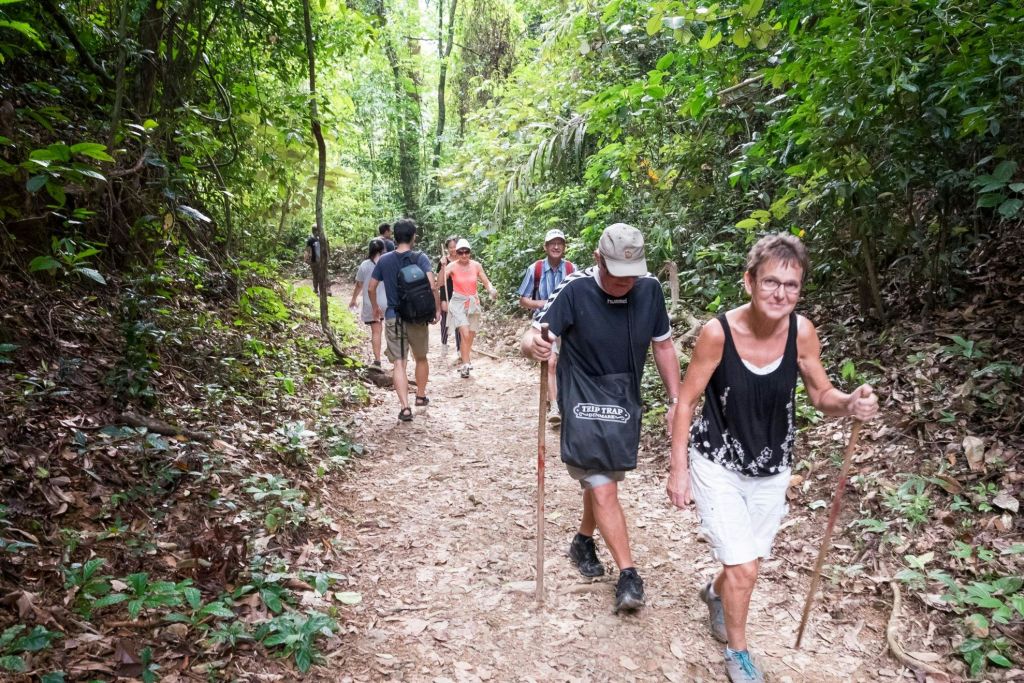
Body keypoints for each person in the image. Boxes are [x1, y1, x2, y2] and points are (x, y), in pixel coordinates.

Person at [666, 233, 879, 682]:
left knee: (747, 564)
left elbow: (821, 394)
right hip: (716, 462)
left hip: (772, 467)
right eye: (770, 282)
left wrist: (849, 403)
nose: (780, 294)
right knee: (743, 567)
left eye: (792, 285)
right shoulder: (717, 333)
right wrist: (678, 469)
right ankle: (739, 653)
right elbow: (686, 402)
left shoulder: (801, 332)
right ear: (749, 282)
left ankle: (714, 593)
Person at [521, 223, 680, 613]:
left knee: (605, 477)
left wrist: (677, 400)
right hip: (582, 396)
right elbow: (531, 334)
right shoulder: (574, 288)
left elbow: (663, 346)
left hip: (624, 397)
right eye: (616, 274)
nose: (625, 282)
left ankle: (582, 541)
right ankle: (629, 575)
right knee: (604, 484)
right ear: (597, 259)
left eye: (632, 275)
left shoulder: (650, 290)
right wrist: (536, 346)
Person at [369, 219, 441, 421]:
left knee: (399, 363)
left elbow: (371, 287)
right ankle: (420, 396)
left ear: (395, 236)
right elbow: (432, 285)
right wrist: (436, 308)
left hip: (393, 317)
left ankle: (405, 408)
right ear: (413, 237)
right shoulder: (420, 257)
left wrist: (376, 307)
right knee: (421, 358)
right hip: (417, 317)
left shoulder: (384, 260)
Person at [518, 228, 576, 425]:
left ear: (564, 247)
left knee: (566, 364)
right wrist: (545, 304)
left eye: (560, 243)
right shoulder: (535, 269)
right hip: (544, 324)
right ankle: (555, 406)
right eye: (552, 243)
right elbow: (524, 300)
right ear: (545, 247)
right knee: (550, 362)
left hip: (567, 325)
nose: (556, 247)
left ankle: (565, 401)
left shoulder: (571, 269)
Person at [441, 238, 497, 378]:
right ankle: (466, 362)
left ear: (470, 252)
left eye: (467, 252)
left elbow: (485, 280)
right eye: (461, 252)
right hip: (458, 303)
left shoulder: (476, 265)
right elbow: (440, 282)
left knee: (470, 336)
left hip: (473, 303)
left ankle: (465, 363)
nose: (464, 255)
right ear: (457, 253)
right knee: (465, 333)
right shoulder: (452, 266)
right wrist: (442, 267)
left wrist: (491, 289)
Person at [348, 238, 389, 369]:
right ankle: (394, 355)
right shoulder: (387, 263)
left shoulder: (365, 265)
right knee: (391, 329)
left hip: (371, 302)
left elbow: (359, 284)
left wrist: (354, 299)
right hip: (387, 301)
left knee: (376, 331)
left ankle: (377, 361)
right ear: (383, 249)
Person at [436, 236, 462, 356]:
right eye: (450, 247)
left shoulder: (462, 259)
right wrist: (443, 266)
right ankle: (444, 344)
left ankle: (459, 348)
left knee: (458, 321)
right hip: (446, 292)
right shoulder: (444, 261)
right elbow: (439, 282)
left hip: (459, 293)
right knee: (445, 319)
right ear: (447, 249)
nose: (453, 249)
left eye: (455, 247)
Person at [304, 226, 321, 294]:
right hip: (313, 260)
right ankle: (315, 289)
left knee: (320, 275)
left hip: (320, 260)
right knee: (315, 275)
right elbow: (307, 250)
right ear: (315, 231)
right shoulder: (310, 240)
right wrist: (306, 259)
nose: (318, 232)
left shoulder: (321, 239)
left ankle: (320, 290)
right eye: (317, 231)